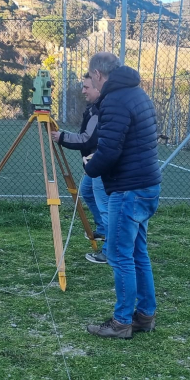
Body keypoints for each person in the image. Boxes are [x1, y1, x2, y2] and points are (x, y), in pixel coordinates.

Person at [82, 52, 162, 339]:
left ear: (99, 76)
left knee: (118, 254)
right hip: (146, 185)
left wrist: (90, 167)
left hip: (129, 189)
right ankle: (145, 315)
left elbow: (110, 149)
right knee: (138, 252)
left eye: (89, 78)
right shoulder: (136, 92)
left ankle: (121, 322)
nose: (88, 83)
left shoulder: (114, 99)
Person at [50, 73, 108, 264]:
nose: (82, 90)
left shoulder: (101, 110)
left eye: (86, 87)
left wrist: (62, 137)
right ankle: (102, 229)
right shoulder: (94, 108)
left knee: (105, 205)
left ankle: (109, 251)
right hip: (94, 163)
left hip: (101, 163)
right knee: (87, 191)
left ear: (98, 87)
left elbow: (88, 139)